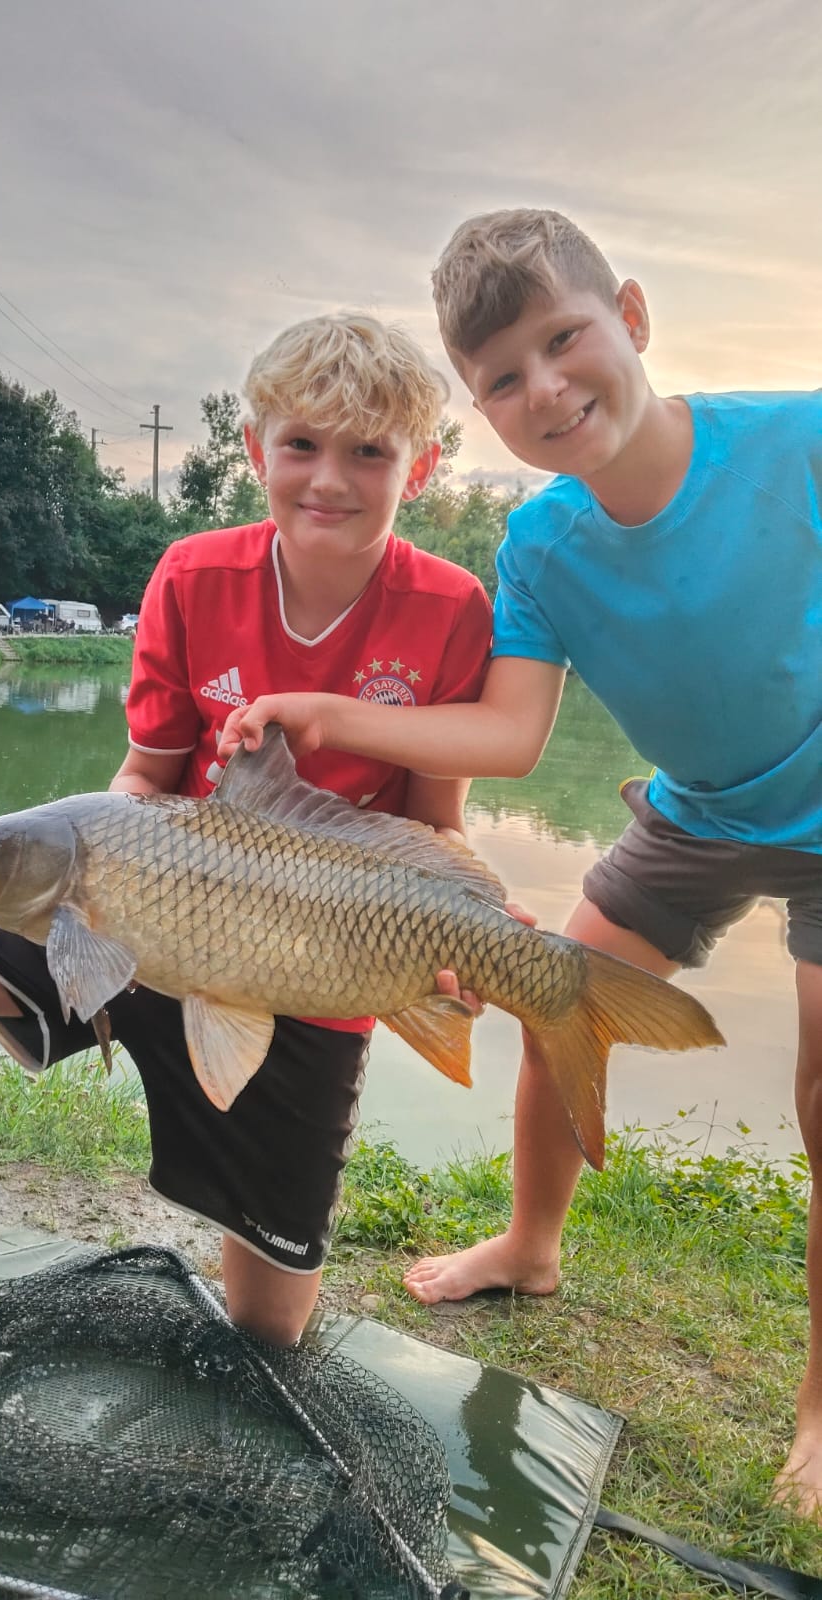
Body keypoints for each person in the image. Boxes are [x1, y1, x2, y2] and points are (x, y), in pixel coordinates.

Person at [218, 210, 822, 1514]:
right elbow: (509, 734)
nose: (543, 389)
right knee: (559, 996)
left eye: (565, 340)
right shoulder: (540, 544)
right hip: (696, 811)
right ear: (479, 406)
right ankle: (531, 1247)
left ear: (633, 318)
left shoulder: (800, 439)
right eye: (502, 377)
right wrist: (327, 716)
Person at [0, 312, 500, 1348]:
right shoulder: (192, 575)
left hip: (318, 959)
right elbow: (143, 777)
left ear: (419, 469)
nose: (329, 478)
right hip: (137, 913)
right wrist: (100, 894)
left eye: (369, 452)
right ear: (254, 451)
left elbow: (433, 824)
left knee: (267, 1330)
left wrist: (469, 933)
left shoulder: (452, 608)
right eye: (302, 444)